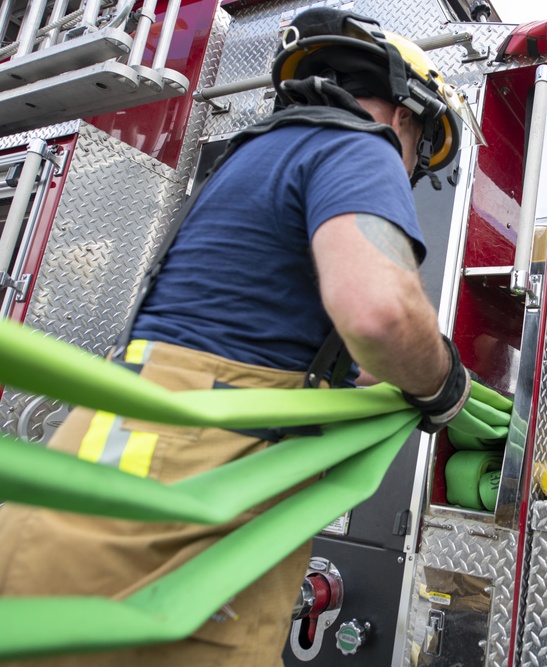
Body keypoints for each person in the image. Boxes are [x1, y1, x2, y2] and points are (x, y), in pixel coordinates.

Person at [0, 7, 482, 665]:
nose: (408, 170)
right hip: (208, 468)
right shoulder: (360, 142)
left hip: (108, 443)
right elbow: (379, 312)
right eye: (419, 151)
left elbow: (313, 337)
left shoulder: (249, 158)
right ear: (407, 115)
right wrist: (443, 382)